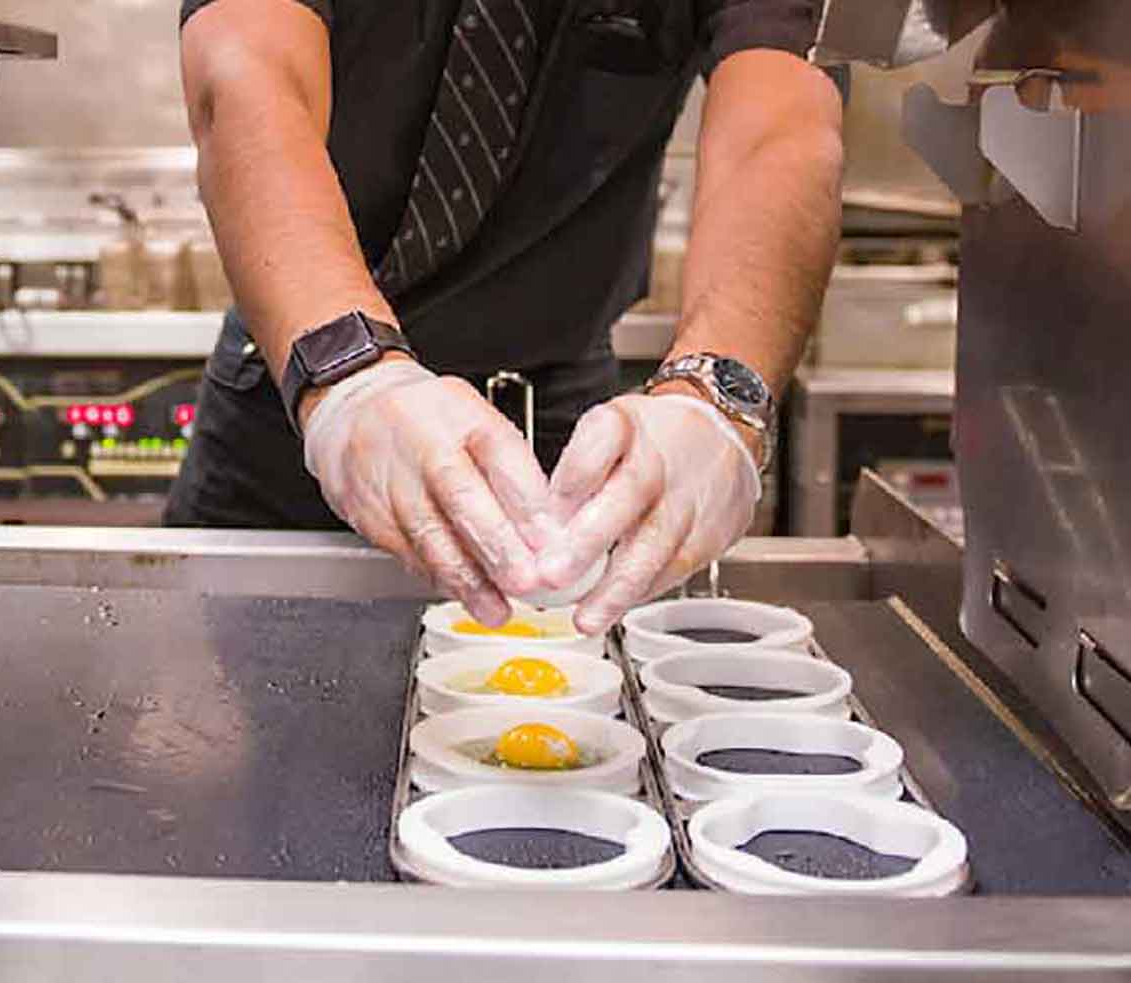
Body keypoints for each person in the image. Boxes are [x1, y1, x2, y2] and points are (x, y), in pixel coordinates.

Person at [168, 0, 843, 635]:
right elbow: (248, 81)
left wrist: (717, 399)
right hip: (308, 399)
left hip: (558, 429)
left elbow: (781, 127)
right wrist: (349, 375)